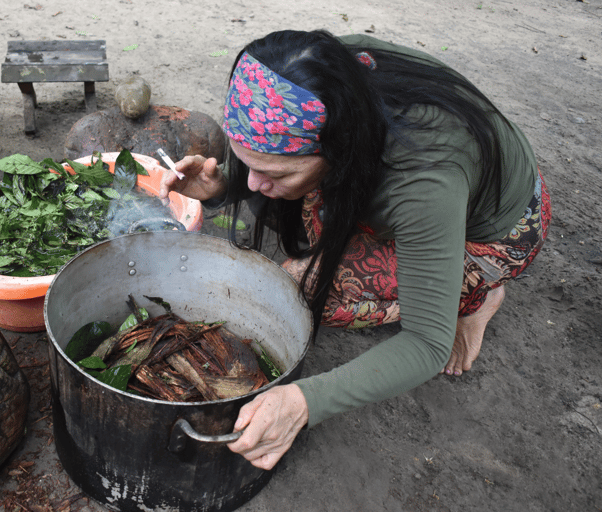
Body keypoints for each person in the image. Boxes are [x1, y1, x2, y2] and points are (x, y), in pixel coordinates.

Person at [157, 30, 551, 471]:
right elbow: (260, 169)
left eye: (272, 171)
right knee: (283, 211)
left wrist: (305, 402)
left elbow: (426, 343)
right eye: (246, 162)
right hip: (412, 190)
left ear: (339, 152)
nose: (253, 183)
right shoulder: (310, 75)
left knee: (307, 286)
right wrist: (220, 186)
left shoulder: (424, 179)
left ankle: (477, 293)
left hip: (497, 228)